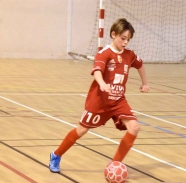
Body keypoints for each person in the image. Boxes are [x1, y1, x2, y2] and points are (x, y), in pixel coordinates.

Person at [49, 18, 150, 173]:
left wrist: (145, 83)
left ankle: (114, 165)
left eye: (128, 40)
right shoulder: (104, 54)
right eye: (123, 39)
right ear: (113, 34)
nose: (125, 43)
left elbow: (140, 65)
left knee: (134, 127)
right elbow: (97, 71)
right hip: (99, 101)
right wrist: (102, 83)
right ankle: (56, 155)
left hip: (118, 101)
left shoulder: (129, 55)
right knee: (81, 130)